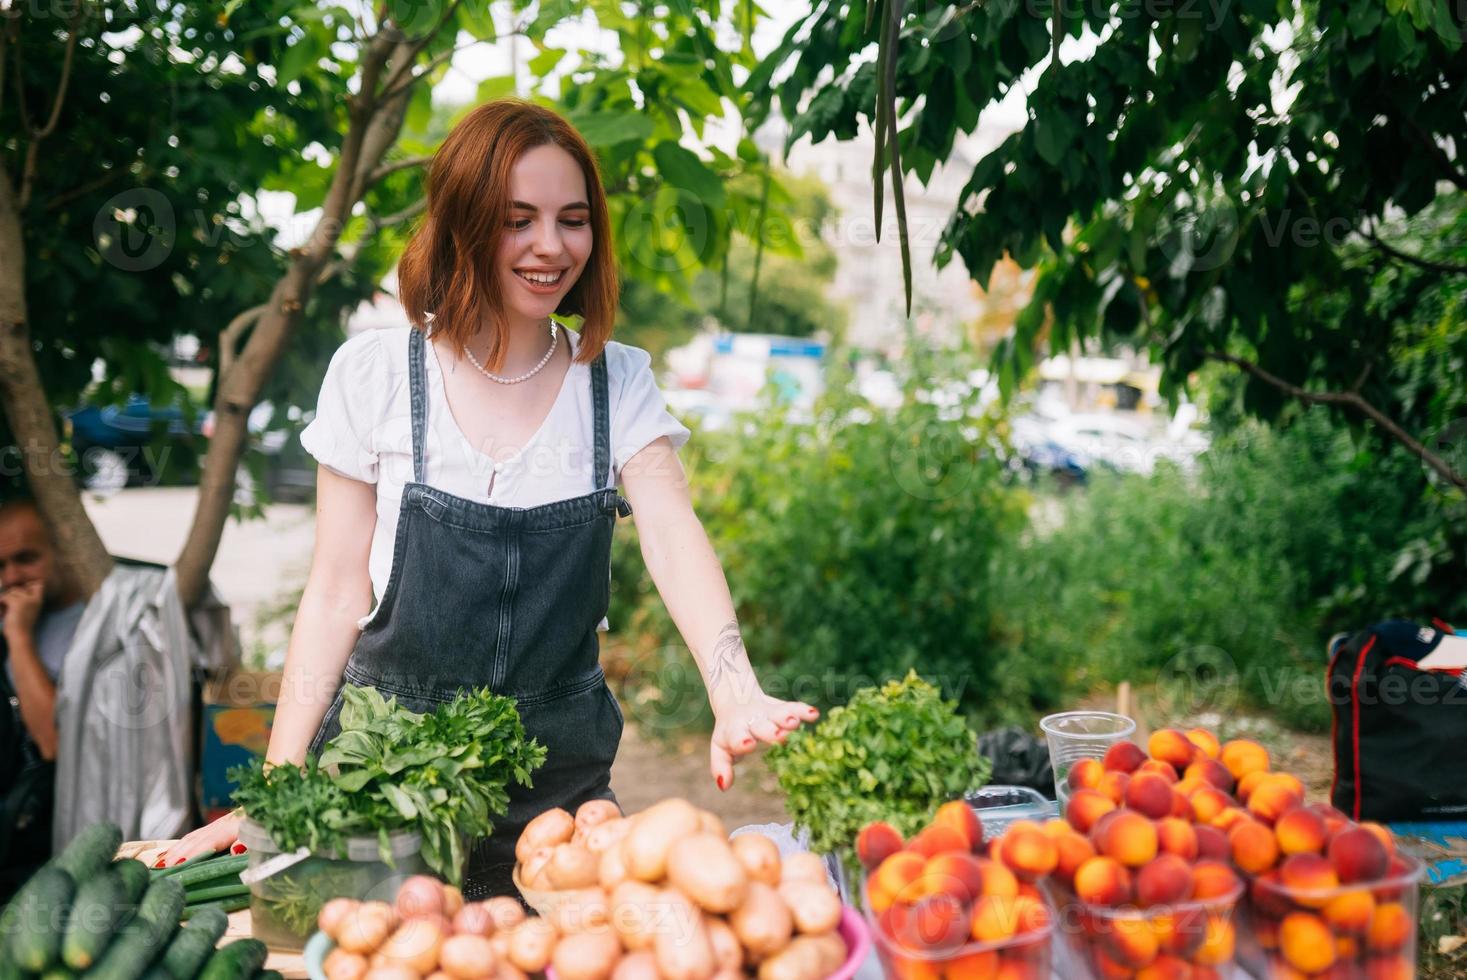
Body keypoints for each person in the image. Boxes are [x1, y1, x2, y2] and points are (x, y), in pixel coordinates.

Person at [165, 99, 819, 897]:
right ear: (465, 224)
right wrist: (279, 789)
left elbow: (673, 532)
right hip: (380, 790)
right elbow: (335, 592)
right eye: (519, 219)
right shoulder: (375, 376)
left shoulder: (615, 382)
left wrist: (733, 687)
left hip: (560, 809)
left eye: (572, 219)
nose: (552, 246)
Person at [0, 498, 87, 888]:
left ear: (62, 549)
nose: (11, 577)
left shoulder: (92, 625)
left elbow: (54, 743)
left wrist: (19, 637)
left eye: (26, 559)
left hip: (54, 830)